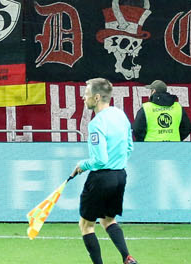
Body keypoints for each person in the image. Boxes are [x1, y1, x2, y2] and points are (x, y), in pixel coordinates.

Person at [70, 78, 139, 264]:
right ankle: (127, 257)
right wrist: (118, 163)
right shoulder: (120, 115)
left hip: (101, 178)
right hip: (120, 175)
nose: (83, 99)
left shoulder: (96, 124)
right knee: (108, 220)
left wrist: (82, 165)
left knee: (86, 225)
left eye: (86, 95)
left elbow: (100, 160)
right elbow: (130, 147)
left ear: (97, 97)